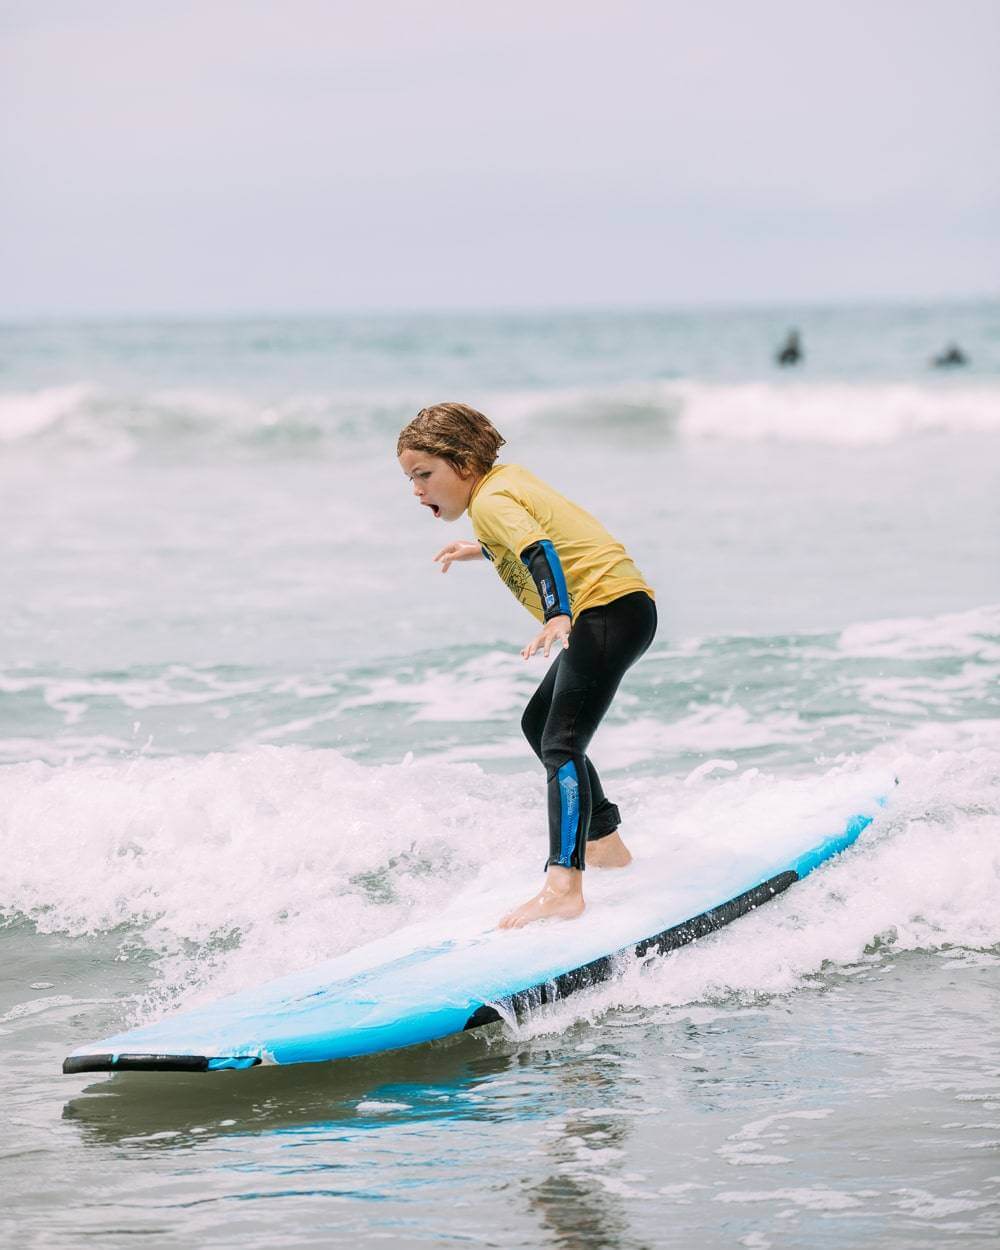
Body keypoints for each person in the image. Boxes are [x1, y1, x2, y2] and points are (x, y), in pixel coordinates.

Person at [397, 402, 657, 929]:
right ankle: (605, 842)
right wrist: (483, 549)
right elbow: (543, 530)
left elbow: (539, 549)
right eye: (410, 479)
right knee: (539, 725)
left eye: (424, 474)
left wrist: (558, 614)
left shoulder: (490, 502)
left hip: (603, 609)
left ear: (463, 463)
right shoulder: (503, 485)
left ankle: (564, 885)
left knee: (561, 742)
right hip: (621, 607)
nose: (417, 489)